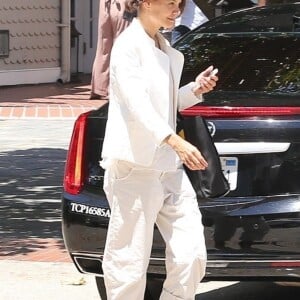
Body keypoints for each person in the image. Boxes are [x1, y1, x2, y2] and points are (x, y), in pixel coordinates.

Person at [100, 0, 219, 298]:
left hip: (167, 167)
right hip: (134, 167)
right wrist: (176, 141)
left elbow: (163, 104)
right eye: (170, 3)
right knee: (128, 263)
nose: (177, 10)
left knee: (191, 254)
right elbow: (136, 104)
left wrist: (195, 89)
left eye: (179, 3)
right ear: (145, 2)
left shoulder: (163, 47)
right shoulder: (128, 47)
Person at [90, 0, 130, 100]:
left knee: (104, 45)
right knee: (122, 43)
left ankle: (100, 88)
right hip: (122, 5)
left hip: (106, 5)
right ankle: (115, 88)